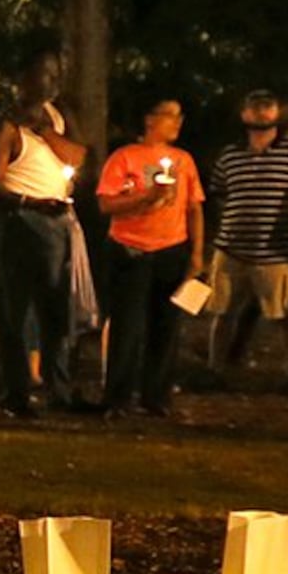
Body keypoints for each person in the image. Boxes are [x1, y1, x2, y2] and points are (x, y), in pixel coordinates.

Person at [0, 50, 85, 415]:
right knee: (13, 314)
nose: (53, 81)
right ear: (23, 79)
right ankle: (13, 394)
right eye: (45, 73)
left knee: (56, 312)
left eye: (57, 73)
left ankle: (60, 392)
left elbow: (78, 156)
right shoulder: (5, 127)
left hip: (56, 223)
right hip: (19, 224)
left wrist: (44, 130)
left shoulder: (57, 117)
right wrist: (30, 202)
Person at [93, 98, 206, 417]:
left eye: (180, 116)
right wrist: (147, 196)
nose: (177, 122)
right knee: (127, 326)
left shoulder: (183, 161)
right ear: (149, 119)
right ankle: (118, 397)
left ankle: (156, 396)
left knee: (166, 326)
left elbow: (194, 207)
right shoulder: (124, 158)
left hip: (171, 250)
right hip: (131, 250)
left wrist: (197, 253)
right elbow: (106, 204)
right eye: (170, 115)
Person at [207, 89, 288, 386]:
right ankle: (215, 369)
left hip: (278, 249)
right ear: (244, 114)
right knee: (222, 311)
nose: (261, 112)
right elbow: (219, 192)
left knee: (285, 313)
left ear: (277, 114)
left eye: (268, 107)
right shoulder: (230, 155)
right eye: (255, 107)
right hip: (231, 246)